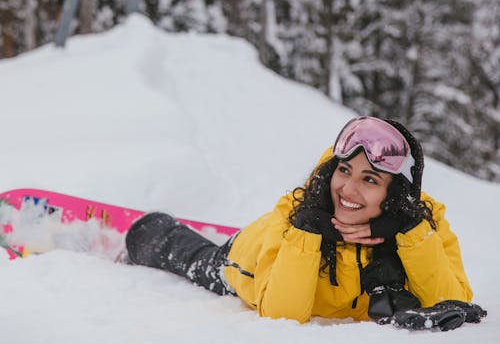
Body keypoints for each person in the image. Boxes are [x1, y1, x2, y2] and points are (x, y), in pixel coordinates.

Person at [125, 116, 485, 330]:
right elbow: (282, 314)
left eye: (370, 180)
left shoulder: (426, 223)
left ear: (395, 196)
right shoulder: (298, 216)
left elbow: (453, 301)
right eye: (344, 170)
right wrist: (309, 232)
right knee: (196, 259)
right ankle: (151, 227)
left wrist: (406, 234)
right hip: (246, 263)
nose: (348, 188)